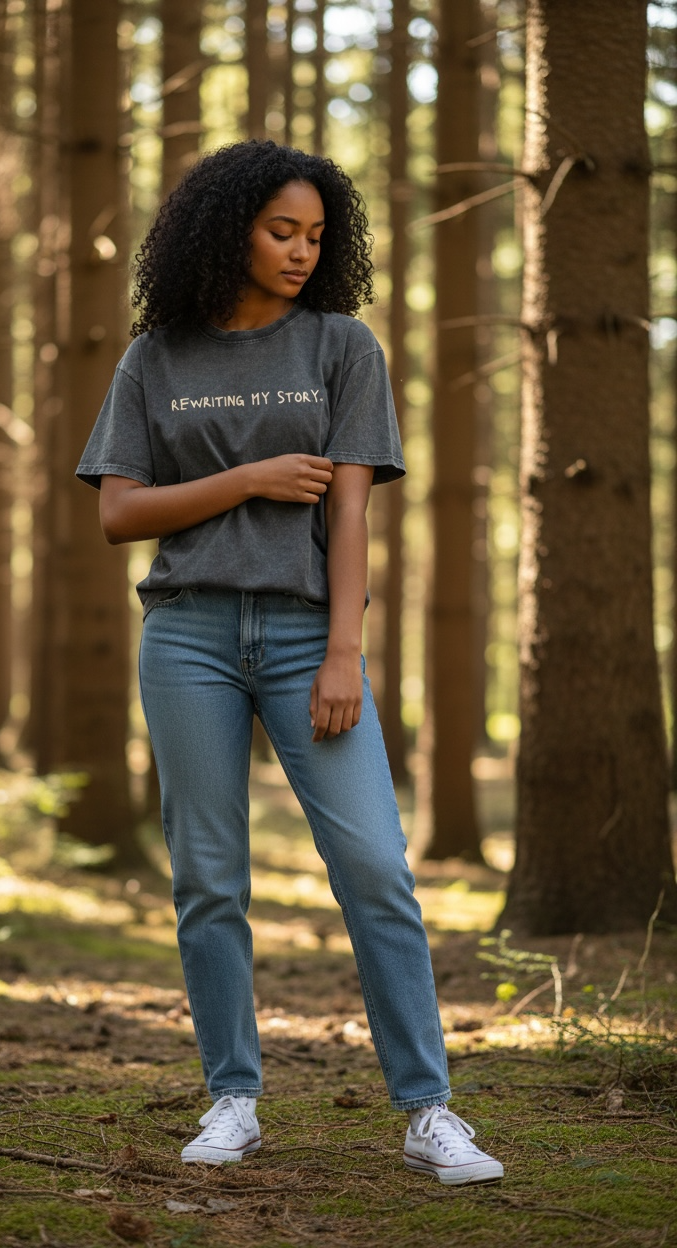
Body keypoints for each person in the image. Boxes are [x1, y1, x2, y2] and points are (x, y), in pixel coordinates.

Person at [76, 139, 503, 1186]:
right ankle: (233, 1098)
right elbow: (119, 513)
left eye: (316, 235)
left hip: (313, 634)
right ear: (226, 230)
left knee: (374, 867)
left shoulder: (341, 348)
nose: (302, 251)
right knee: (208, 875)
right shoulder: (155, 357)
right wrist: (250, 476)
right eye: (281, 231)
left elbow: (350, 512)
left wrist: (345, 651)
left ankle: (428, 1111)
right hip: (188, 636)